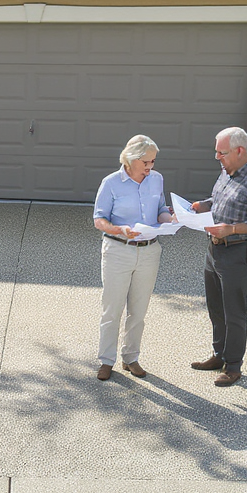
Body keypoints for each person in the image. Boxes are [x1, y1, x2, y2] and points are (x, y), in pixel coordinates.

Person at [189, 126, 247, 387]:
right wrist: (202, 205)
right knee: (216, 307)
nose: (217, 157)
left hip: (240, 251)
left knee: (234, 311)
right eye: (217, 152)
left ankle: (233, 366)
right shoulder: (228, 170)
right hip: (215, 249)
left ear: (240, 151)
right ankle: (219, 355)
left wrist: (231, 229)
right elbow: (218, 199)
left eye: (222, 153)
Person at [93, 134, 177, 381]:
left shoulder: (157, 179)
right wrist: (120, 229)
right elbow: (99, 219)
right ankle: (106, 360)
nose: (150, 167)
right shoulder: (110, 183)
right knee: (112, 309)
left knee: (138, 311)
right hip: (118, 250)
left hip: (150, 251)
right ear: (130, 160)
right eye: (146, 162)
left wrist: (170, 219)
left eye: (153, 162)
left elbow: (161, 209)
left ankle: (131, 358)